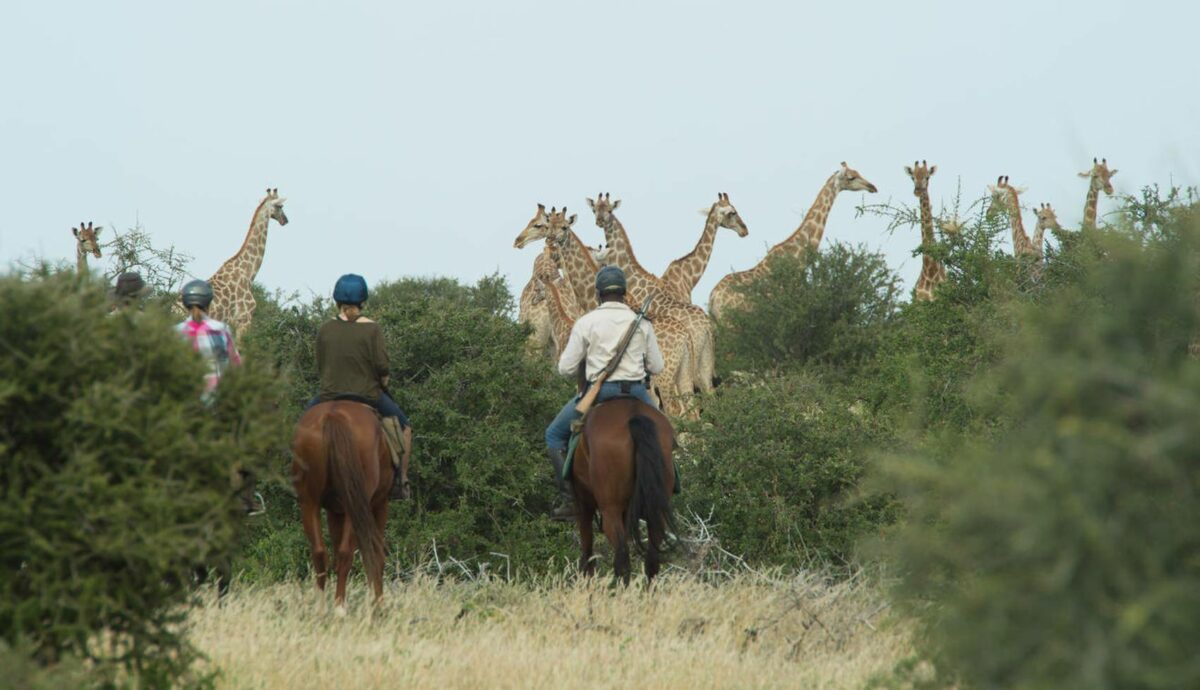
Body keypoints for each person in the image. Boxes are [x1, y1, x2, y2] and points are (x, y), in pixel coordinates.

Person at [544, 265, 664, 520]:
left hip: (599, 393)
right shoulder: (641, 323)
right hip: (637, 393)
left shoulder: (586, 322)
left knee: (554, 435)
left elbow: (565, 369)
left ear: (598, 294)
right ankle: (670, 485)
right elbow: (658, 366)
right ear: (624, 292)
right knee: (666, 434)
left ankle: (570, 500)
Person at [307, 274, 412, 501]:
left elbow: (321, 364)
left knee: (302, 426)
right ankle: (400, 481)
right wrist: (383, 381)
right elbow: (382, 367)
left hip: (328, 396)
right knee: (404, 427)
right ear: (363, 301)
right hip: (368, 395)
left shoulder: (325, 329)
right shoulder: (372, 329)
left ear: (336, 301)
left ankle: (299, 477)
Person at [174, 279, 261, 514]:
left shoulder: (175, 333)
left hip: (187, 408)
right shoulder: (221, 330)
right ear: (209, 303)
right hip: (219, 407)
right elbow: (236, 366)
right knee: (249, 443)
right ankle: (246, 499)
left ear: (184, 304)